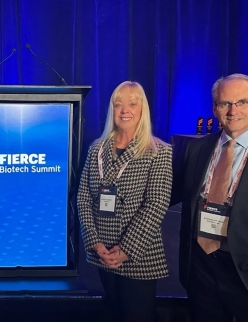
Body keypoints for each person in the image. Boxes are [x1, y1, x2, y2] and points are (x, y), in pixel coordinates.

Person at [172, 73, 248, 322]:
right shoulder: (197, 148)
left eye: (242, 102)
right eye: (225, 103)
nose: (233, 110)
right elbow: (173, 194)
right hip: (201, 269)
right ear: (215, 108)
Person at [77, 81, 172, 322]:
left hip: (138, 254)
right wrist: (94, 241)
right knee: (114, 313)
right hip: (102, 251)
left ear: (143, 109)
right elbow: (83, 197)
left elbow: (156, 204)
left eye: (132, 104)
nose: (124, 110)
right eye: (118, 105)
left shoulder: (159, 151)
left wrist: (125, 250)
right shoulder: (96, 148)